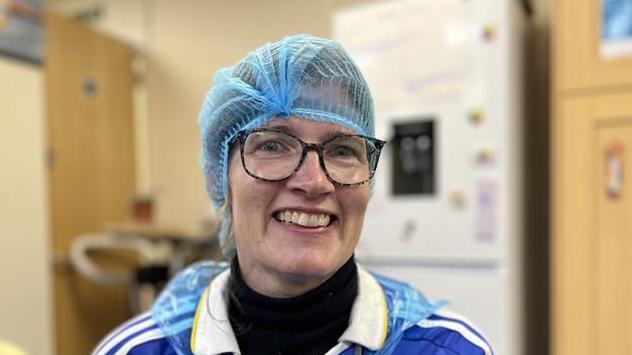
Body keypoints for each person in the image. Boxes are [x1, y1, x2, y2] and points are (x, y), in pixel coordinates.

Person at [93, 34, 493, 355]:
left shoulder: (448, 349)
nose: (314, 182)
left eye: (341, 151)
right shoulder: (138, 349)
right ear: (222, 175)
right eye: (272, 145)